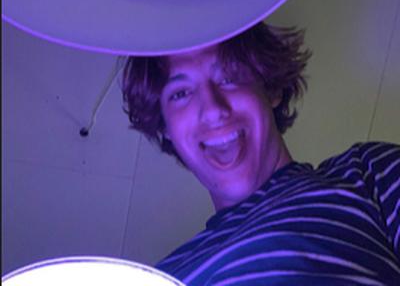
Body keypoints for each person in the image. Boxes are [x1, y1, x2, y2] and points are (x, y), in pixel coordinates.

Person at [121, 22, 400, 285]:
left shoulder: (368, 173)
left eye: (228, 77)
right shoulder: (153, 278)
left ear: (271, 88)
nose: (213, 110)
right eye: (181, 93)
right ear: (165, 126)